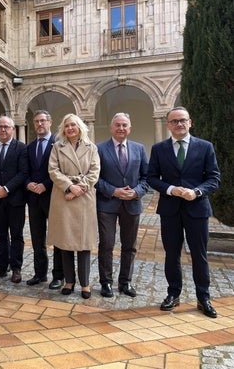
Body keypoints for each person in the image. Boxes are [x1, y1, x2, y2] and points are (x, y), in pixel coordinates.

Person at [147, 106, 220, 318]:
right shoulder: (159, 149)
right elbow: (151, 177)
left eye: (183, 120)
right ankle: (173, 294)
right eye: (174, 121)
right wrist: (170, 189)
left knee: (200, 254)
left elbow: (214, 178)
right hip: (170, 209)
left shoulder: (205, 147)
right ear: (168, 125)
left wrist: (196, 191)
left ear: (190, 122)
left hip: (196, 208)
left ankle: (203, 297)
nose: (179, 124)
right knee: (171, 254)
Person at [96, 112, 149, 298]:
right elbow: (95, 178)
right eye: (117, 125)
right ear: (111, 128)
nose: (121, 128)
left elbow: (146, 177)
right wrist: (113, 191)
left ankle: (125, 282)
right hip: (107, 204)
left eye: (124, 125)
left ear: (130, 128)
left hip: (132, 204)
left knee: (129, 246)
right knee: (106, 244)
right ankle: (106, 283)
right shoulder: (100, 149)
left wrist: (136, 192)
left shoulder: (139, 149)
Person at [48, 113, 100, 299]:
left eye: (73, 125)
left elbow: (95, 171)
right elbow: (53, 170)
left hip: (84, 197)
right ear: (63, 129)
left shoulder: (91, 147)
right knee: (65, 242)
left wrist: (79, 188)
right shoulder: (57, 147)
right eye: (67, 125)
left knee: (84, 243)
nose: (70, 128)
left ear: (80, 127)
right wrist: (69, 186)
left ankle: (85, 283)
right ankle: (69, 281)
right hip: (63, 197)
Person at [0, 116, 29, 283]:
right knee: (0, 234)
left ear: (13, 129)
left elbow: (23, 173)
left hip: (15, 199)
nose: (3, 130)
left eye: (6, 127)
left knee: (16, 235)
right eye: (0, 127)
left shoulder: (21, 148)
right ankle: (1, 267)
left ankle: (16, 268)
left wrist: (7, 188)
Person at [25, 110, 63, 288]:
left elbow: (61, 171)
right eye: (36, 122)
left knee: (56, 237)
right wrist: (29, 184)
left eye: (42, 121)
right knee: (37, 238)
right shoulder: (30, 147)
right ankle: (40, 274)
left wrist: (45, 185)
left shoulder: (59, 144)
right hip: (34, 199)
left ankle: (58, 276)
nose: (39, 124)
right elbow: (25, 171)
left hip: (53, 197)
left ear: (50, 122)